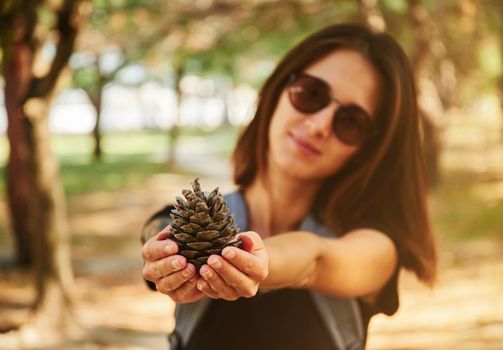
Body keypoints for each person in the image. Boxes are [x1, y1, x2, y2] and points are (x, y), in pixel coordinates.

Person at [140, 23, 437, 350]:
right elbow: (157, 230)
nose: (318, 125)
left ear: (368, 150)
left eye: (351, 122)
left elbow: (315, 260)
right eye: (311, 94)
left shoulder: (375, 246)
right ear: (278, 89)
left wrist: (257, 262)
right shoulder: (186, 218)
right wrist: (166, 254)